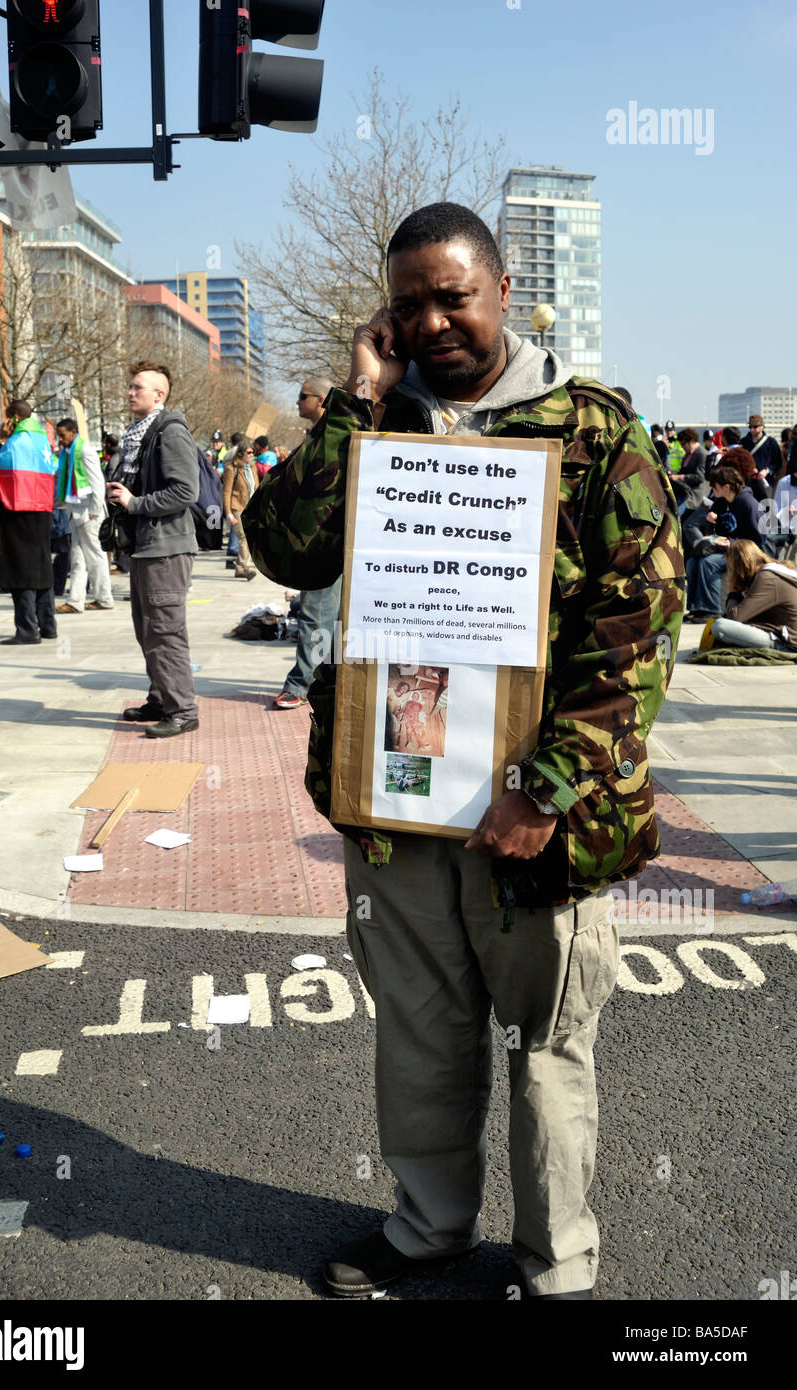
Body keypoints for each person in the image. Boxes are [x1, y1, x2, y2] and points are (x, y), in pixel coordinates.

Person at [242, 201, 684, 1299]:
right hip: (399, 802)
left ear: (499, 289)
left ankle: (555, 1261)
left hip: (538, 815)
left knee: (546, 1050)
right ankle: (429, 1227)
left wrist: (549, 784)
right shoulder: (378, 424)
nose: (434, 320)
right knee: (421, 1035)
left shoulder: (593, 433)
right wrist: (354, 400)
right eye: (410, 305)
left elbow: (640, 632)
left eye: (455, 296)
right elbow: (282, 546)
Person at [106, 361, 201, 738]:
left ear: (158, 395)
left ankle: (183, 710)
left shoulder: (170, 432)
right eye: (130, 386)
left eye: (138, 388)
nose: (130, 392)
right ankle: (161, 698)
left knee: (165, 631)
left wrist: (134, 503)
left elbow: (185, 491)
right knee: (148, 630)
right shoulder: (137, 436)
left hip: (166, 548)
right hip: (146, 548)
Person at [272, 376, 340, 710]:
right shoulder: (320, 433)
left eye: (303, 396)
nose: (298, 402)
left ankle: (301, 684)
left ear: (321, 400)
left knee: (315, 615)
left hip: (322, 540)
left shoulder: (330, 436)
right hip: (318, 539)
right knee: (325, 616)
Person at [0, 400, 59, 645]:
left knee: (20, 568)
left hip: (19, 509)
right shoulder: (43, 440)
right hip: (42, 509)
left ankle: (27, 629)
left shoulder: (16, 442)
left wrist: (0, 442)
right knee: (42, 564)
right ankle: (48, 624)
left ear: (14, 418)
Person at [54, 418, 113, 614]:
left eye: (62, 435)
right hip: (75, 513)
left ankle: (103, 598)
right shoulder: (66, 453)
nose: (60, 439)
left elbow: (97, 483)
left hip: (89, 513)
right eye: (59, 435)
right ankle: (75, 601)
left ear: (73, 432)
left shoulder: (85, 451)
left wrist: (94, 512)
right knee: (78, 558)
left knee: (95, 556)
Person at [682, 465, 746, 620]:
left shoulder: (746, 503)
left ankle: (712, 609)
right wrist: (711, 521)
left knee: (709, 563)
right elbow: (715, 530)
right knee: (692, 562)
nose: (711, 489)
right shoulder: (720, 502)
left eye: (714, 485)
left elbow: (756, 537)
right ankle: (696, 608)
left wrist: (731, 542)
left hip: (741, 551)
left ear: (727, 486)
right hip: (722, 548)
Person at [710, 540, 797, 650]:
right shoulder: (774, 570)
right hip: (785, 633)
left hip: (789, 642)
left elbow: (735, 617)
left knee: (720, 626)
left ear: (740, 564)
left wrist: (733, 591)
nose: (732, 572)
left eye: (731, 568)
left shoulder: (767, 578)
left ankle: (773, 647)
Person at [221, 439, 259, 579]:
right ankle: (247, 567)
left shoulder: (253, 468)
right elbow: (226, 492)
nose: (251, 455)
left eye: (252, 452)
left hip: (251, 508)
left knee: (249, 537)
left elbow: (257, 488)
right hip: (237, 507)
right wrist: (229, 513)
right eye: (249, 452)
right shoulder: (232, 469)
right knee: (244, 537)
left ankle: (239, 568)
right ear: (241, 454)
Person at [669, 428, 707, 514]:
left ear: (692, 441)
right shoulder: (688, 455)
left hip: (695, 495)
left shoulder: (702, 454)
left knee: (676, 515)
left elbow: (700, 477)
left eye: (683, 444)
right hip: (685, 492)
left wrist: (678, 477)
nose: (682, 447)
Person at [741, 414, 781, 485]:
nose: (752, 429)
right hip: (747, 481)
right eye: (750, 427)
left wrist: (767, 470)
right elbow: (739, 460)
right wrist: (749, 468)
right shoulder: (743, 442)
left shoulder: (771, 442)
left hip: (766, 481)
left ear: (762, 427)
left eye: (755, 426)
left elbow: (777, 462)